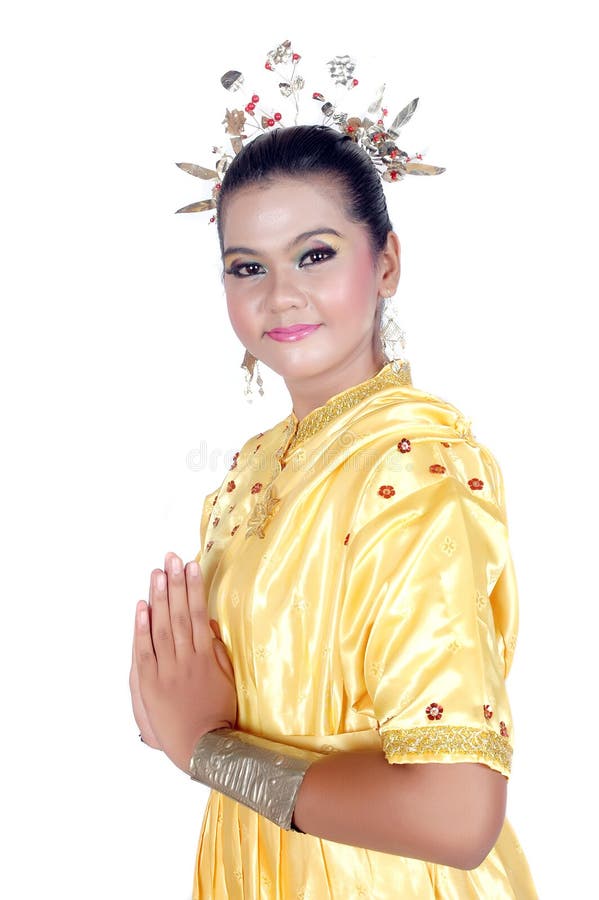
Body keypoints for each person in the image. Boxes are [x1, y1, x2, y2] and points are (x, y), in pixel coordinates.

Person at [130, 123, 539, 898]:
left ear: (385, 261)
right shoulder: (253, 467)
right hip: (255, 865)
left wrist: (204, 747)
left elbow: (456, 816)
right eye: (246, 266)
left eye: (314, 255)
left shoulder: (413, 468)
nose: (279, 293)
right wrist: (167, 696)